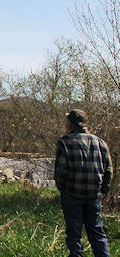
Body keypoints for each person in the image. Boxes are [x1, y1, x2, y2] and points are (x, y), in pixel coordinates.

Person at [54, 109, 113, 257]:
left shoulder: (65, 142)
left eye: (67, 121)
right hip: (94, 196)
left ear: (71, 124)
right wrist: (102, 191)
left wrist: (63, 190)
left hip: (72, 194)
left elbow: (60, 172)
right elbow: (109, 171)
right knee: (97, 232)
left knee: (74, 232)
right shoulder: (101, 143)